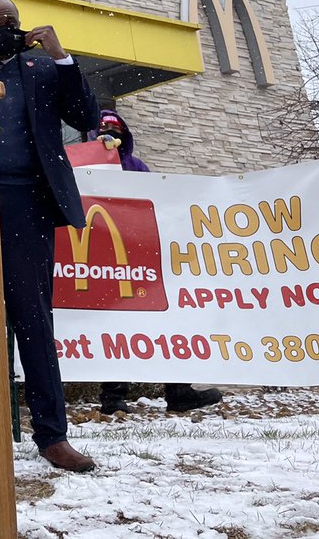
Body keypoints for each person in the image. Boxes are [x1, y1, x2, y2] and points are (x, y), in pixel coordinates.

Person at [0, 0, 100, 472]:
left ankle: (52, 435)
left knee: (33, 318)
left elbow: (86, 119)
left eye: (11, 21)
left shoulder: (43, 68)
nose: (4, 28)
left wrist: (62, 57)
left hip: (26, 204)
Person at [92, 110, 224, 416]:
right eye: (103, 129)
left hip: (141, 251)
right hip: (104, 257)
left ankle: (179, 392)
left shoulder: (136, 167)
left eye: (115, 129)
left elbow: (156, 198)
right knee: (115, 323)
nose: (110, 134)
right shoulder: (87, 166)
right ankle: (112, 398)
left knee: (167, 316)